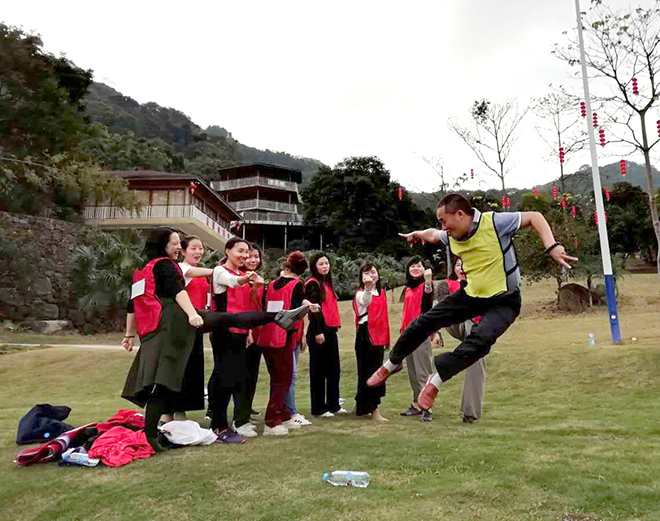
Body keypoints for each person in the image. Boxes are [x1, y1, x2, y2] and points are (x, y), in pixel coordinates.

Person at [367, 193, 578, 412]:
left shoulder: (494, 222)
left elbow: (534, 216)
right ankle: (391, 364)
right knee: (426, 321)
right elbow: (432, 235)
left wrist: (551, 246)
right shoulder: (452, 235)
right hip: (472, 296)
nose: (442, 227)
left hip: (504, 301)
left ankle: (436, 381)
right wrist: (417, 234)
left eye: (443, 220)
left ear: (459, 214)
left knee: (480, 341)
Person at [121, 228, 310, 450]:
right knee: (163, 383)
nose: (178, 248)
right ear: (162, 245)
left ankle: (277, 316)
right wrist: (192, 314)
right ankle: (152, 436)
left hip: (156, 330)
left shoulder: (141, 270)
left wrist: (129, 334)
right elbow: (178, 291)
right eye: (175, 244)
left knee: (228, 319)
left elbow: (133, 304)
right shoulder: (164, 265)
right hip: (173, 324)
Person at [257, 252, 319, 435]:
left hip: (267, 333)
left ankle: (283, 416)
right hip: (283, 335)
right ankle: (272, 421)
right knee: (282, 380)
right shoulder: (297, 285)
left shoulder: (271, 284)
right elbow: (295, 309)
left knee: (277, 378)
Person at [431, 257, 486, 423]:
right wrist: (436, 332)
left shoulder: (480, 283)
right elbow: (436, 311)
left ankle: (470, 412)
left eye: (465, 265)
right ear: (454, 268)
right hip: (456, 322)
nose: (462, 268)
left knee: (477, 363)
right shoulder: (447, 285)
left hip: (476, 327)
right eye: (458, 265)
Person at [305, 252, 346, 418]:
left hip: (331, 331)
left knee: (333, 370)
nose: (325, 266)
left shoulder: (327, 283)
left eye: (327, 263)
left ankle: (333, 404)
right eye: (321, 264)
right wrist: (318, 331)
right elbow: (314, 309)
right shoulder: (312, 284)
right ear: (315, 266)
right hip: (319, 331)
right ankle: (319, 408)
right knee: (319, 372)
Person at [399, 256, 435, 422]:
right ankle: (416, 404)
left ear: (424, 269)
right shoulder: (408, 289)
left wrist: (428, 283)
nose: (415, 268)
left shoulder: (425, 286)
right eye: (412, 266)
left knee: (423, 372)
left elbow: (428, 301)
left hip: (420, 334)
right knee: (412, 372)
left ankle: (427, 407)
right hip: (407, 334)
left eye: (418, 266)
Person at [353, 262, 390, 422]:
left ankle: (361, 406)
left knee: (377, 372)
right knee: (368, 372)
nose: (370, 275)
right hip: (366, 335)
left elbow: (384, 317)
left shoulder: (381, 293)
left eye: (373, 272)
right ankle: (373, 408)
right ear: (361, 278)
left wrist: (387, 338)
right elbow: (365, 302)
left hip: (379, 335)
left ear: (378, 275)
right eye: (366, 273)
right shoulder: (361, 293)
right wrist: (367, 288)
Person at [244, 244, 266, 424]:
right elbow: (247, 304)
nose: (253, 260)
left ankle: (248, 406)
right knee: (241, 372)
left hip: (258, 331)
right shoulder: (240, 279)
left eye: (256, 257)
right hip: (245, 330)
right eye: (250, 256)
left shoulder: (260, 279)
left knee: (253, 372)